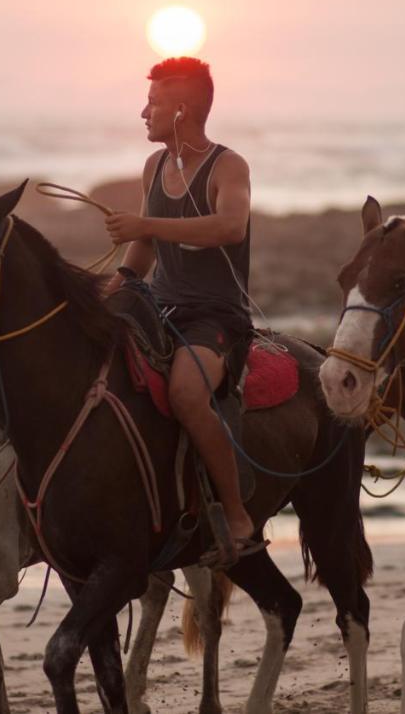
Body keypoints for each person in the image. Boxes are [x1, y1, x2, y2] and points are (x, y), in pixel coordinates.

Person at [102, 56, 260, 567]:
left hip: (215, 316)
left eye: (153, 103)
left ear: (182, 109)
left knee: (188, 394)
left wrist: (146, 225)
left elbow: (228, 228)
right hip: (160, 306)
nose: (143, 112)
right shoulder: (153, 167)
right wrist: (121, 284)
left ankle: (236, 517)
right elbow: (144, 250)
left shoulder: (228, 165)